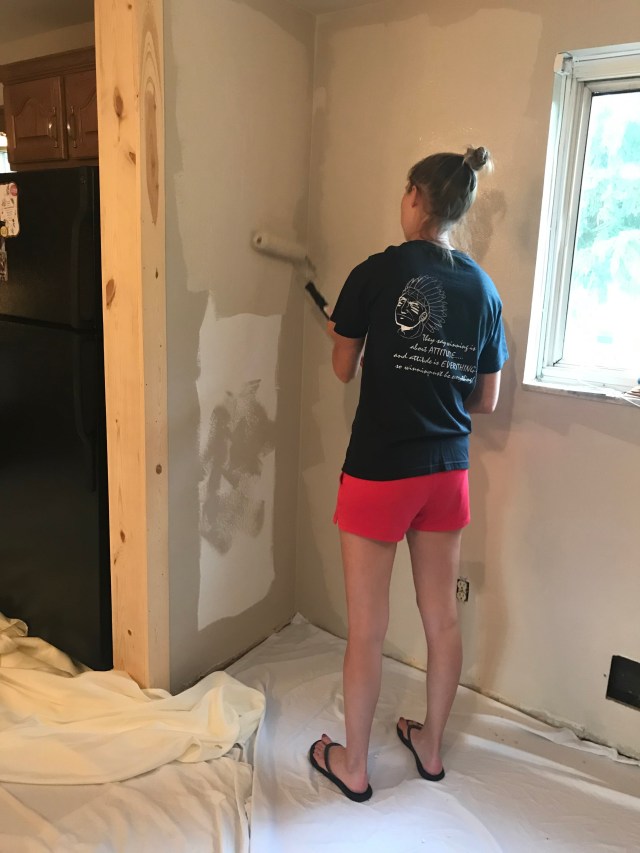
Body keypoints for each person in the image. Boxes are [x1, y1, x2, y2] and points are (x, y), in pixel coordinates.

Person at [308, 147, 509, 802]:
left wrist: (352, 342)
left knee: (367, 627)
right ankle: (430, 747)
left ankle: (354, 765)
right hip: (446, 471)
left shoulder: (375, 272)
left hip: (380, 469)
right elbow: (486, 401)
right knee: (441, 619)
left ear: (416, 197)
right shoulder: (484, 290)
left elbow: (343, 369)